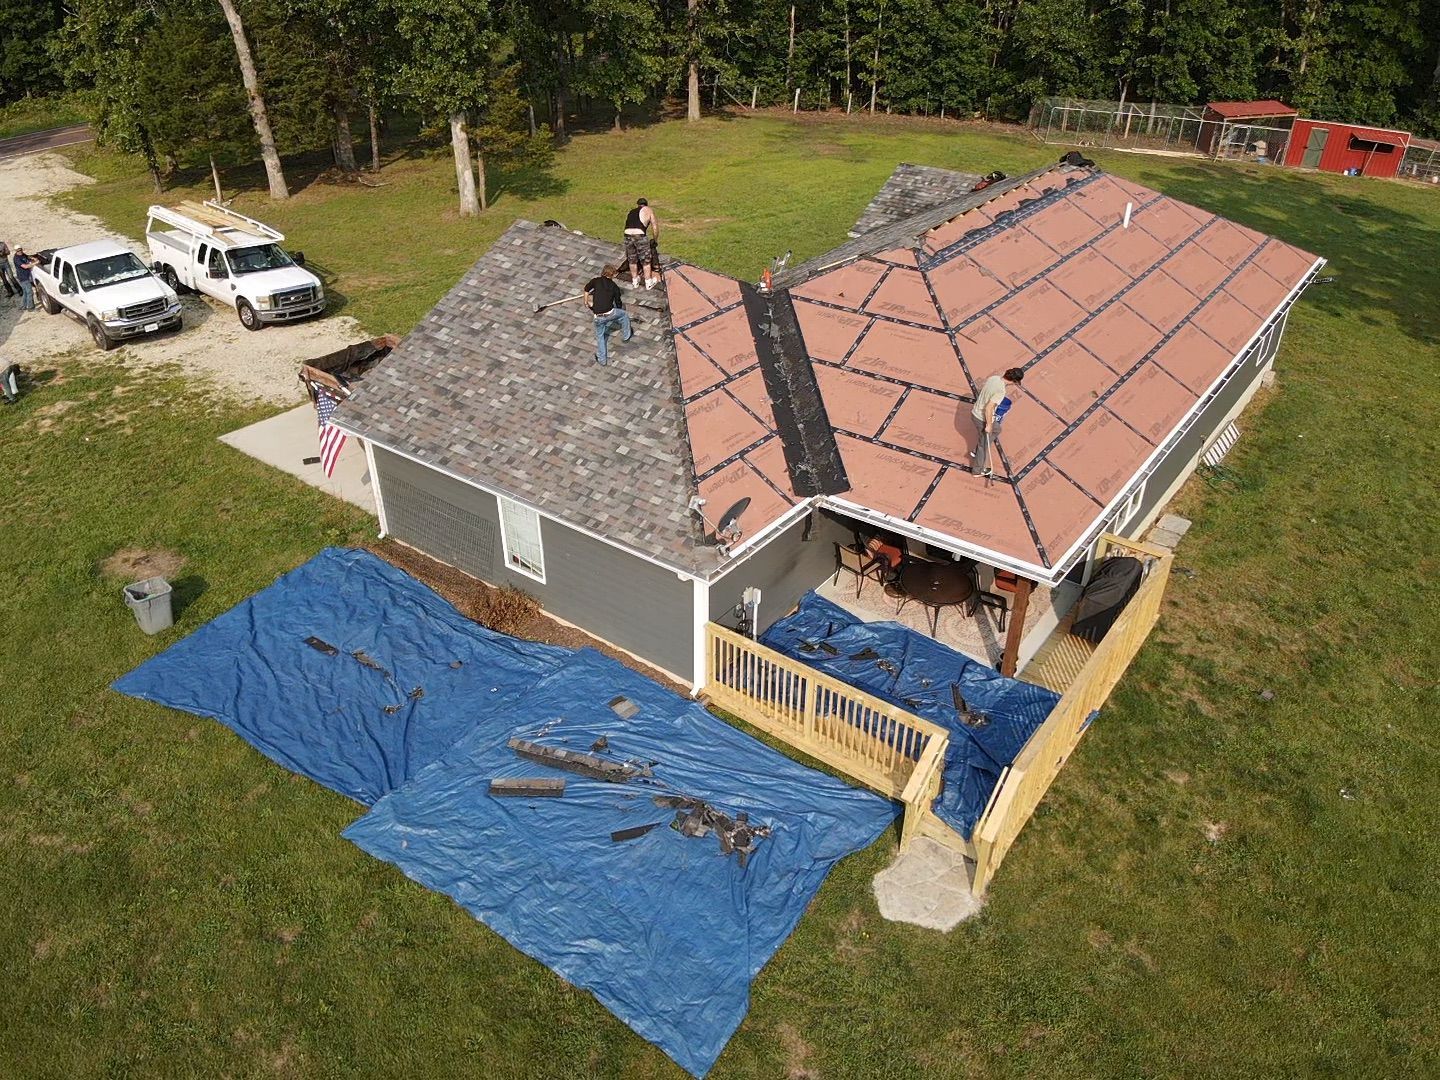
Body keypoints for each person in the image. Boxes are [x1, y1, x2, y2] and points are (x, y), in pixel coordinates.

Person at [970, 367, 1024, 477]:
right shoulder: (1001, 391)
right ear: (1014, 381)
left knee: (997, 429)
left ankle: (978, 450)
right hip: (982, 417)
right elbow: (989, 408)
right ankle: (977, 470)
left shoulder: (993, 378)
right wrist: (989, 425)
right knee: (984, 444)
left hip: (975, 411)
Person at [585, 264, 632, 367]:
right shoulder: (614, 287)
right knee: (623, 315)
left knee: (600, 337)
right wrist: (617, 312)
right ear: (612, 275)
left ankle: (602, 360)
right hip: (610, 313)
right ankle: (626, 336)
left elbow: (586, 289)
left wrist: (586, 302)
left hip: (598, 317)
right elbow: (618, 302)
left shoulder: (596, 281)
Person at [622, 198, 660, 290]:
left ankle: (635, 281)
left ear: (638, 204)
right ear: (646, 204)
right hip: (639, 235)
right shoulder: (648, 210)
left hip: (627, 235)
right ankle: (648, 282)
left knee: (632, 259)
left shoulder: (631, 211)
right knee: (646, 260)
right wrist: (655, 239)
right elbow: (655, 227)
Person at [14, 247, 36, 311]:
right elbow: (25, 266)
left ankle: (23, 306)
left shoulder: (22, 254)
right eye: (18, 251)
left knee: (25, 292)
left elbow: (27, 257)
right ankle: (30, 307)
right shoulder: (16, 259)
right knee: (30, 292)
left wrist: (33, 258)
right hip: (23, 277)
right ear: (16, 251)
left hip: (25, 276)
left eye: (20, 250)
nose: (20, 251)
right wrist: (35, 263)